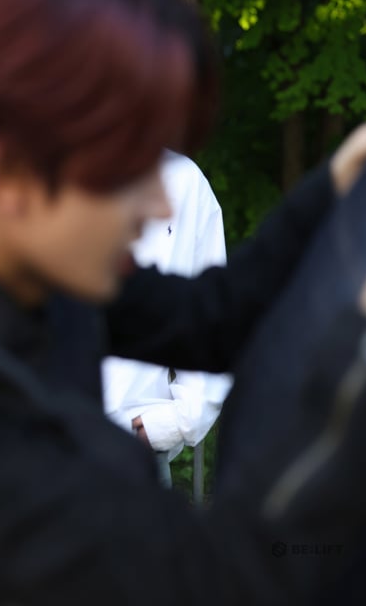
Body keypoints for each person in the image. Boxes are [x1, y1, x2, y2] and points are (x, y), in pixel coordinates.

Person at [0, 0, 366, 605]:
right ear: (8, 174)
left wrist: (339, 190)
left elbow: (208, 316)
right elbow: (220, 585)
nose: (162, 204)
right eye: (130, 170)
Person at [101, 151, 232, 485]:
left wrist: (174, 423)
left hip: (131, 451)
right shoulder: (36, 160)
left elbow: (209, 318)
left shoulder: (183, 180)